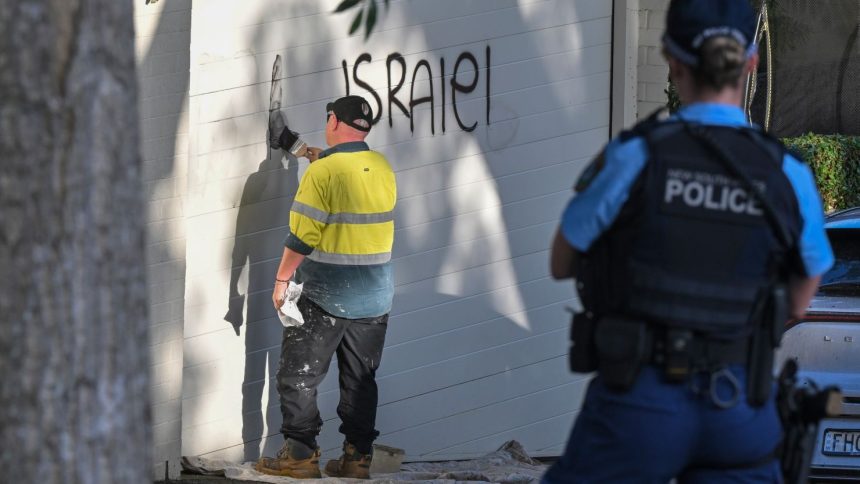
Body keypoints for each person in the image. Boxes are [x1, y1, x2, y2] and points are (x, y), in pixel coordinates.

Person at [543, 1, 834, 482]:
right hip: (740, 404)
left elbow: (561, 261)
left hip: (638, 404)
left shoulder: (635, 154)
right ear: (751, 63)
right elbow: (802, 298)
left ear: (671, 60)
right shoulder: (788, 173)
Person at [255, 95, 397, 479]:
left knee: (298, 375)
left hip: (327, 295)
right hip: (375, 297)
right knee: (360, 381)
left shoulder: (324, 174)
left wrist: (281, 280)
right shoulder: (381, 166)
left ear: (333, 120)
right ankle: (356, 459)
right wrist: (300, 149)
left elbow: (301, 239)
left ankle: (300, 455)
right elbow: (344, 175)